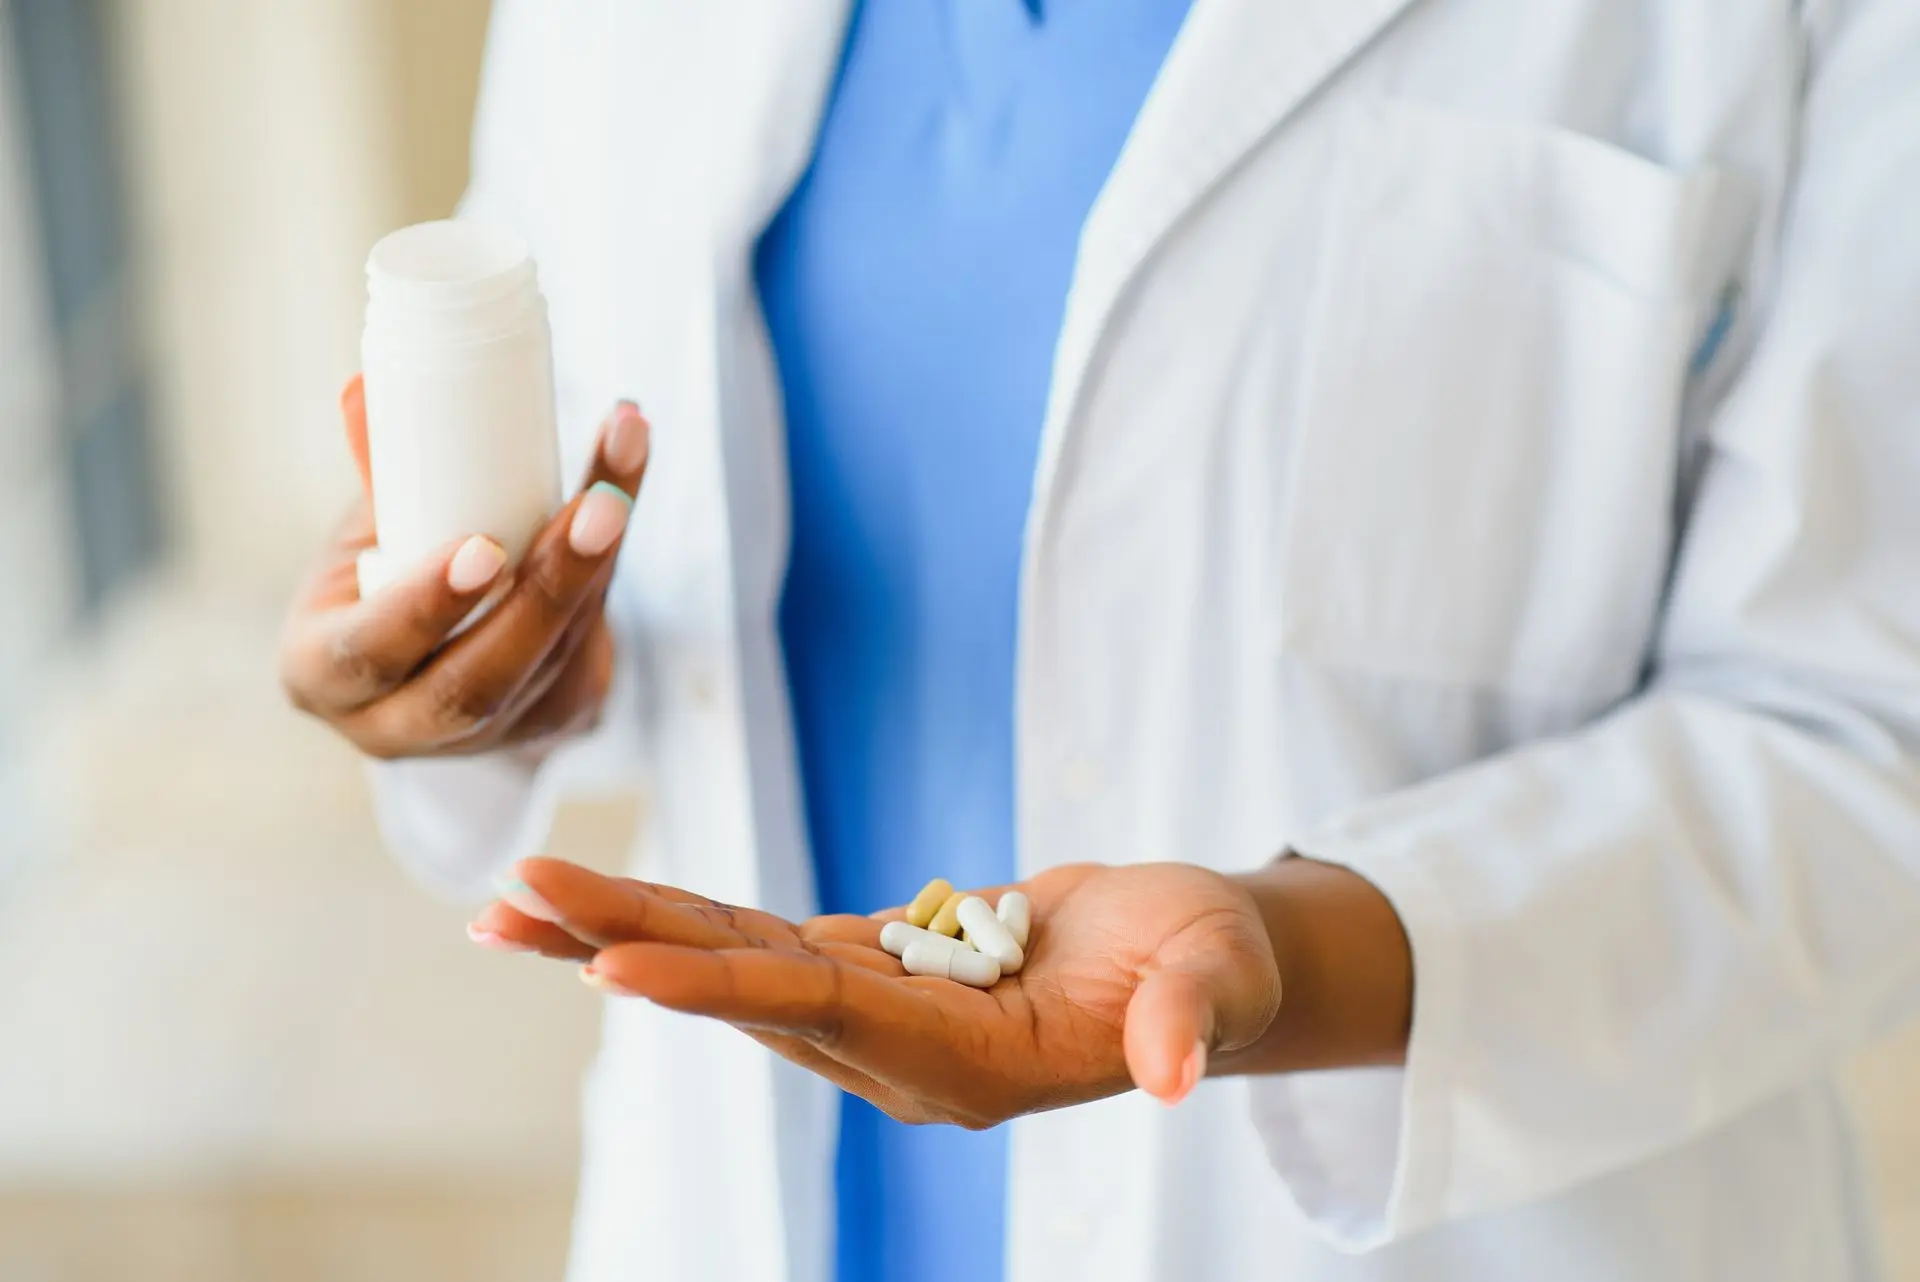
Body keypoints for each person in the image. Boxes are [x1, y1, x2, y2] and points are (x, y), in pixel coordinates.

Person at [281, 2, 1920, 1280]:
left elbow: (1864, 738)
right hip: (753, 1207)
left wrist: (1297, 955)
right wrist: (482, 667)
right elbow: (588, 496)